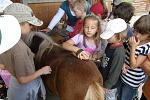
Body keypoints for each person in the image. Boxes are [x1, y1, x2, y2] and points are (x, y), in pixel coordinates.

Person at [0, 3, 52, 100]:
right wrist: (41, 71)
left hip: (14, 87)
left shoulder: (4, 41)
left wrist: (26, 56)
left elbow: (2, 66)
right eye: (30, 24)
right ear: (19, 24)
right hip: (25, 91)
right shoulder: (20, 49)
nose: (31, 27)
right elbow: (23, 80)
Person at [118, 15, 150, 100]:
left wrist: (133, 47)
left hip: (132, 82)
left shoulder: (146, 48)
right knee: (119, 96)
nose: (137, 35)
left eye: (142, 34)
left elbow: (133, 65)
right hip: (123, 75)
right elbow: (125, 53)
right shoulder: (133, 39)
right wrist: (123, 63)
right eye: (136, 31)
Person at [99, 18, 127, 100]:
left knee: (110, 98)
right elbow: (106, 57)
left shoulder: (119, 52)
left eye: (109, 35)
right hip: (105, 78)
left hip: (111, 85)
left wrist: (107, 86)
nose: (107, 38)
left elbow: (115, 71)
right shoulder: (110, 44)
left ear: (119, 35)